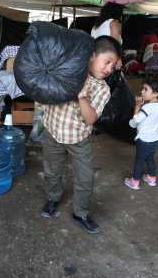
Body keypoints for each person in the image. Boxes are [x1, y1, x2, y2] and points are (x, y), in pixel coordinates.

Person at [40, 36, 120, 234]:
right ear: (93, 56)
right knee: (52, 171)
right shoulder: (71, 69)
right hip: (52, 131)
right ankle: (53, 197)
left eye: (113, 65)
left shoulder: (103, 89)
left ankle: (80, 212)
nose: (109, 68)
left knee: (85, 178)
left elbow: (91, 119)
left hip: (78, 139)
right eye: (107, 61)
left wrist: (82, 96)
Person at [123, 77, 158, 190]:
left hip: (144, 141)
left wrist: (137, 107)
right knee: (150, 158)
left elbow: (134, 123)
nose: (142, 91)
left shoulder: (146, 108)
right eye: (143, 88)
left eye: (145, 89)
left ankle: (135, 182)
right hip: (156, 140)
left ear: (155, 93)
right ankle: (152, 178)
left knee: (139, 161)